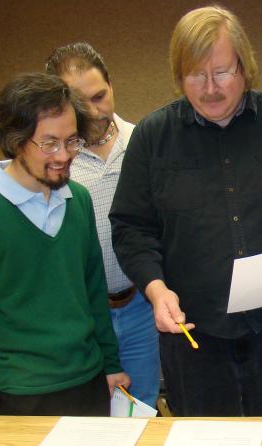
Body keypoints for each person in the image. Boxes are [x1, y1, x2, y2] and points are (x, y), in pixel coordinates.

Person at [110, 6, 262, 417]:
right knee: (205, 445)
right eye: (195, 75)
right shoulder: (152, 138)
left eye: (221, 72)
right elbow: (131, 228)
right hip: (193, 332)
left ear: (244, 66)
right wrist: (155, 289)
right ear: (178, 75)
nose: (210, 89)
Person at [0, 73, 129, 415]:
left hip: (89, 384)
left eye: (71, 141)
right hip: (21, 395)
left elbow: (93, 291)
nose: (64, 155)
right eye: (49, 143)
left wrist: (111, 363)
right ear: (15, 141)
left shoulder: (79, 200)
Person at [46, 43, 161, 409]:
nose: (95, 112)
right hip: (81, 314)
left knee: (140, 407)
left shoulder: (142, 143)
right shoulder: (56, 162)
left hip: (140, 305)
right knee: (85, 414)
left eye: (100, 96)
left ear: (111, 84)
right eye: (81, 104)